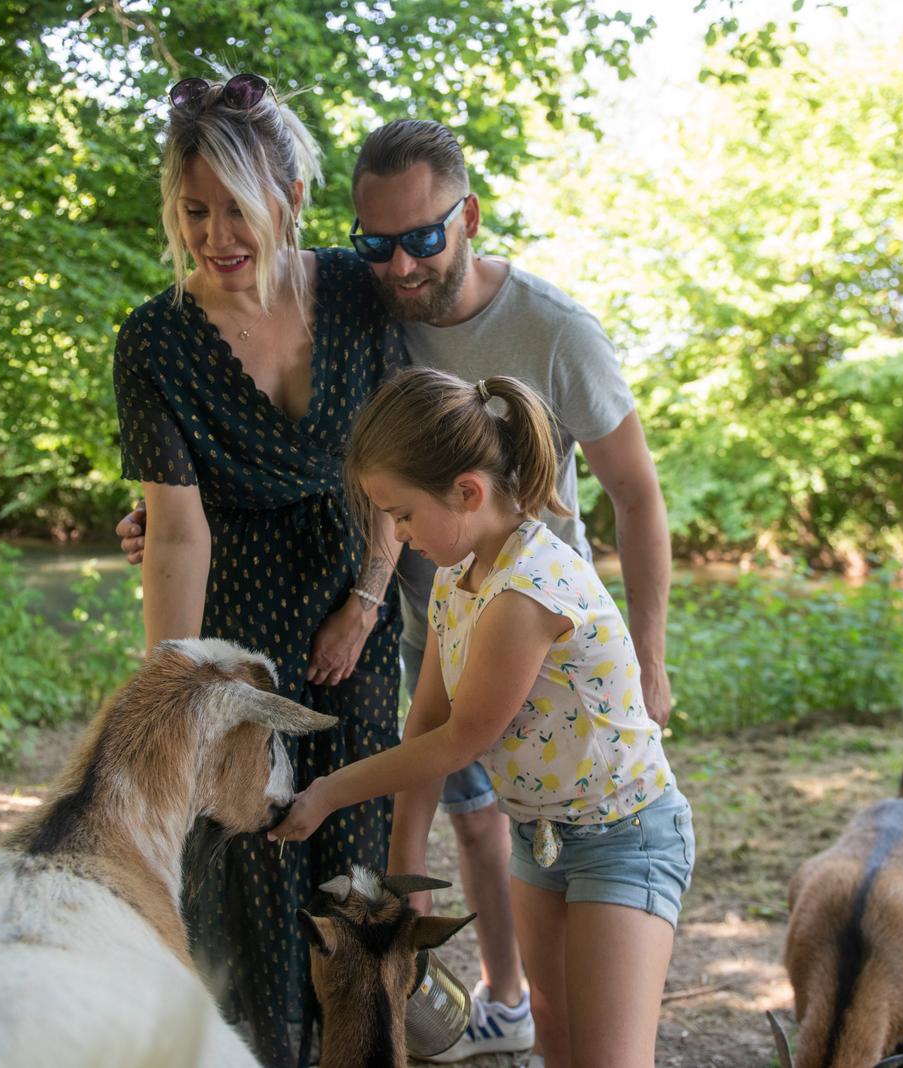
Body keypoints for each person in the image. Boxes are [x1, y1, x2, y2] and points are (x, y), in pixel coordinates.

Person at [120, 117, 673, 1063]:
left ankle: (430, 1009)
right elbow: (189, 516)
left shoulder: (524, 335)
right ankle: (460, 1005)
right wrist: (172, 678)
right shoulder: (353, 305)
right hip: (379, 620)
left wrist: (653, 668)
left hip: (498, 679)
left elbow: (634, 491)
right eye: (379, 244)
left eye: (422, 239)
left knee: (419, 824)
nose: (402, 264)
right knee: (410, 826)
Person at [269, 369, 695, 1068]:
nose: (399, 536)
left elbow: (461, 739)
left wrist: (326, 794)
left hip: (626, 837)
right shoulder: (456, 579)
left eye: (402, 514)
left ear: (467, 491)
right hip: (539, 838)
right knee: (557, 1043)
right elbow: (425, 719)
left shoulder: (524, 594)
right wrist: (404, 867)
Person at [111, 70, 402, 1068]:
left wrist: (366, 603)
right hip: (235, 622)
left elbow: (394, 465)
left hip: (352, 606)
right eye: (194, 209)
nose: (215, 234)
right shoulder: (153, 341)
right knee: (245, 865)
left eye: (237, 207)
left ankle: (362, 1049)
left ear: (291, 200)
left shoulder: (361, 297)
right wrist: (171, 699)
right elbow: (178, 534)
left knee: (353, 860)